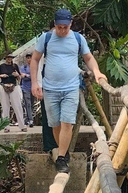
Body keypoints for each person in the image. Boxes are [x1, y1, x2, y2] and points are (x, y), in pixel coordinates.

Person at [31, 9, 107, 172]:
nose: (62, 30)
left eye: (65, 27)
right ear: (55, 24)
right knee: (55, 124)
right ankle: (63, 153)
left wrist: (97, 71)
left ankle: (61, 158)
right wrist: (34, 83)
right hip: (50, 89)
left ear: (70, 24)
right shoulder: (46, 38)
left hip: (71, 87)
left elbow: (88, 57)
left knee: (67, 122)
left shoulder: (78, 39)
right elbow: (35, 59)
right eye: (59, 27)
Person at [0, 54, 26, 132]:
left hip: (13, 86)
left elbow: (19, 78)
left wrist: (17, 75)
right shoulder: (1, 66)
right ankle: (6, 127)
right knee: (5, 107)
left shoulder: (15, 66)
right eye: (8, 57)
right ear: (5, 58)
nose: (9, 59)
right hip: (3, 86)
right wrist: (1, 75)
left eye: (11, 58)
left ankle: (22, 125)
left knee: (17, 105)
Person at [19, 52, 35, 127]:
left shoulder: (35, 67)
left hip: (33, 88)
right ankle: (31, 120)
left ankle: (27, 119)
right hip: (25, 88)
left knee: (31, 104)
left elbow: (35, 76)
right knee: (27, 104)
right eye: (28, 58)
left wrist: (27, 76)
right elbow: (22, 76)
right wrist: (28, 76)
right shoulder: (23, 67)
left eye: (30, 57)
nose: (29, 59)